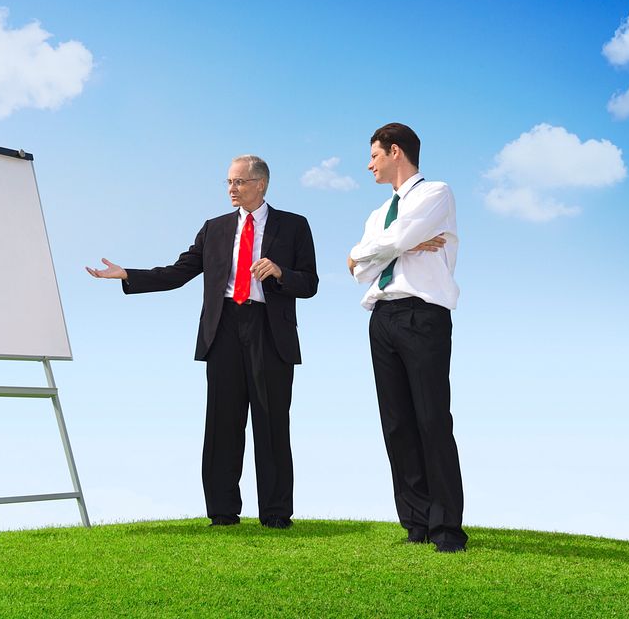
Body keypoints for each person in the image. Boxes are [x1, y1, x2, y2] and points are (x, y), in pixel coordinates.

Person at [86, 155, 318, 529]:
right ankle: (223, 513)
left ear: (261, 184)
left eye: (239, 182)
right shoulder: (215, 228)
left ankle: (276, 514)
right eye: (228, 182)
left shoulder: (294, 226)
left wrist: (279, 272)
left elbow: (309, 283)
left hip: (269, 332)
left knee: (272, 424)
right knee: (222, 423)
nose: (231, 189)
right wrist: (128, 274)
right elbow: (179, 272)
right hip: (222, 329)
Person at [347, 122, 467, 552]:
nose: (369, 164)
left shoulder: (437, 193)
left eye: (374, 155)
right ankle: (415, 520)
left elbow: (391, 241)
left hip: (423, 315)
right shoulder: (377, 214)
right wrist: (398, 246)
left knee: (432, 419)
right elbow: (356, 266)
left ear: (395, 151)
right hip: (382, 316)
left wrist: (391, 245)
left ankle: (447, 528)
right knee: (396, 423)